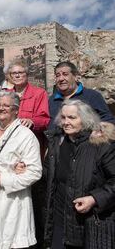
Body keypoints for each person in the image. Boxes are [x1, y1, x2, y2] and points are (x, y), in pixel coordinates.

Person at [43, 100, 115, 248]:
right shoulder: (57, 142)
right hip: (59, 221)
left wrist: (94, 198)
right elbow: (48, 174)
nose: (66, 122)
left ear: (85, 119)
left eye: (72, 117)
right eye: (63, 117)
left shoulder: (100, 144)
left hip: (88, 225)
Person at [0, 91, 42, 249]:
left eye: (6, 105)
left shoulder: (26, 136)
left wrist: (2, 180)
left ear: (16, 110)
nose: (0, 108)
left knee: (9, 242)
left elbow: (35, 172)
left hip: (12, 205)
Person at [48, 61, 115, 128]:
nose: (61, 79)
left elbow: (108, 120)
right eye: (58, 75)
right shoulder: (52, 100)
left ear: (76, 77)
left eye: (65, 74)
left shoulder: (92, 96)